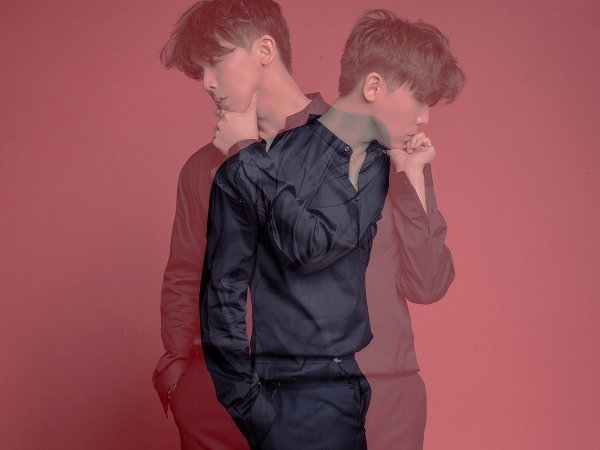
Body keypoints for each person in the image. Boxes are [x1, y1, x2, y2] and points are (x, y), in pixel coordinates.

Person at [200, 9, 464, 450]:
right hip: (303, 401)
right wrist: (249, 406)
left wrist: (412, 178)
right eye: (420, 100)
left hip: (393, 391)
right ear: (373, 87)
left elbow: (429, 284)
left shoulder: (396, 162)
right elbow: (222, 295)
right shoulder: (262, 161)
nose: (424, 119)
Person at [153, 1, 328, 449]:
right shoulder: (200, 169)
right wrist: (178, 375)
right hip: (215, 393)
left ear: (264, 49)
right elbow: (185, 271)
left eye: (216, 61)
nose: (207, 82)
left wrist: (243, 154)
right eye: (200, 70)